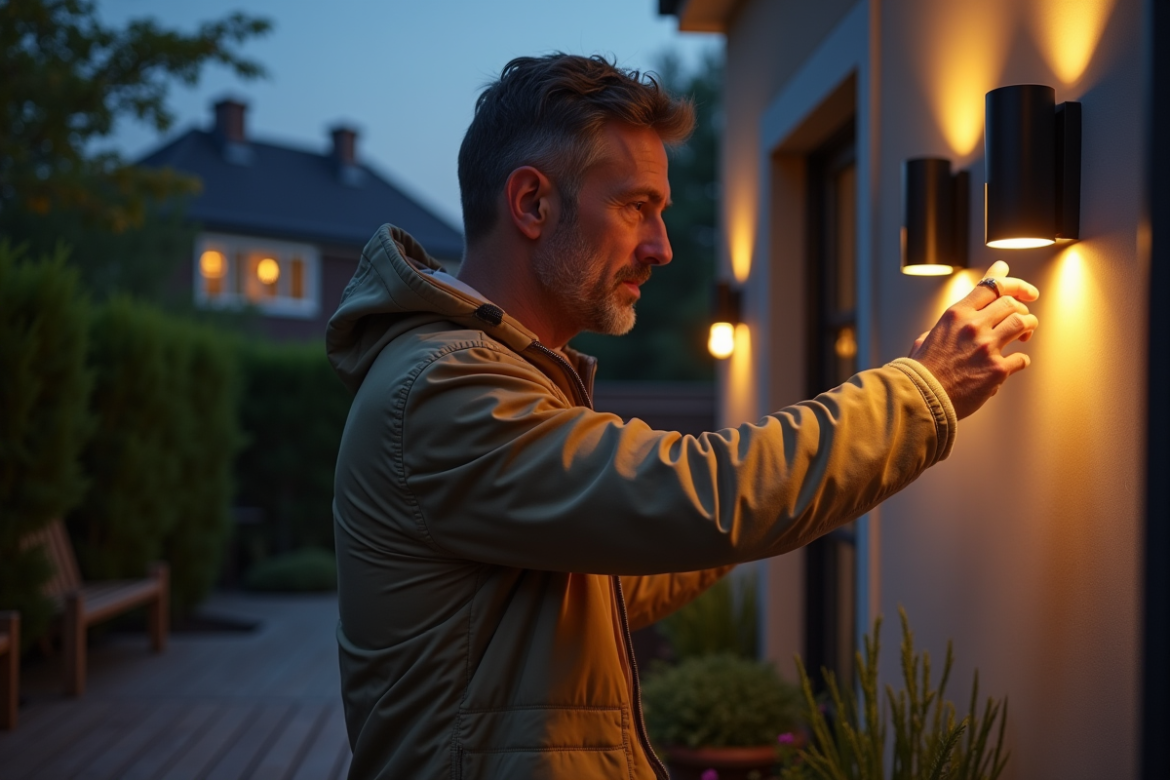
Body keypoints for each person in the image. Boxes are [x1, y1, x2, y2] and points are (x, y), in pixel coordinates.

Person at [327, 54, 1039, 780]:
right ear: (533, 204)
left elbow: (623, 570)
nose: (660, 247)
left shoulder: (491, 377)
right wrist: (926, 391)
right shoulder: (447, 388)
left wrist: (771, 502)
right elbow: (693, 495)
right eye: (638, 206)